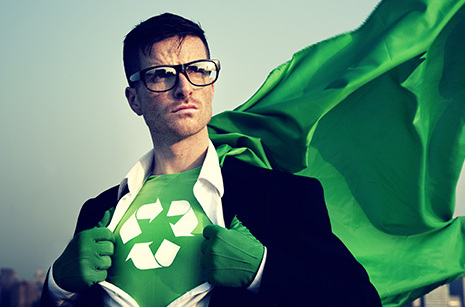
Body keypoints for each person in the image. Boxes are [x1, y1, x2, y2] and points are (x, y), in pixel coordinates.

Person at [41, 13, 381, 307]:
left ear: (211, 86)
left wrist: (264, 270)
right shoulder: (98, 212)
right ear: (134, 99)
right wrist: (57, 285)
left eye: (198, 70)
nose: (184, 87)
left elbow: (360, 299)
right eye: (161, 74)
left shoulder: (279, 197)